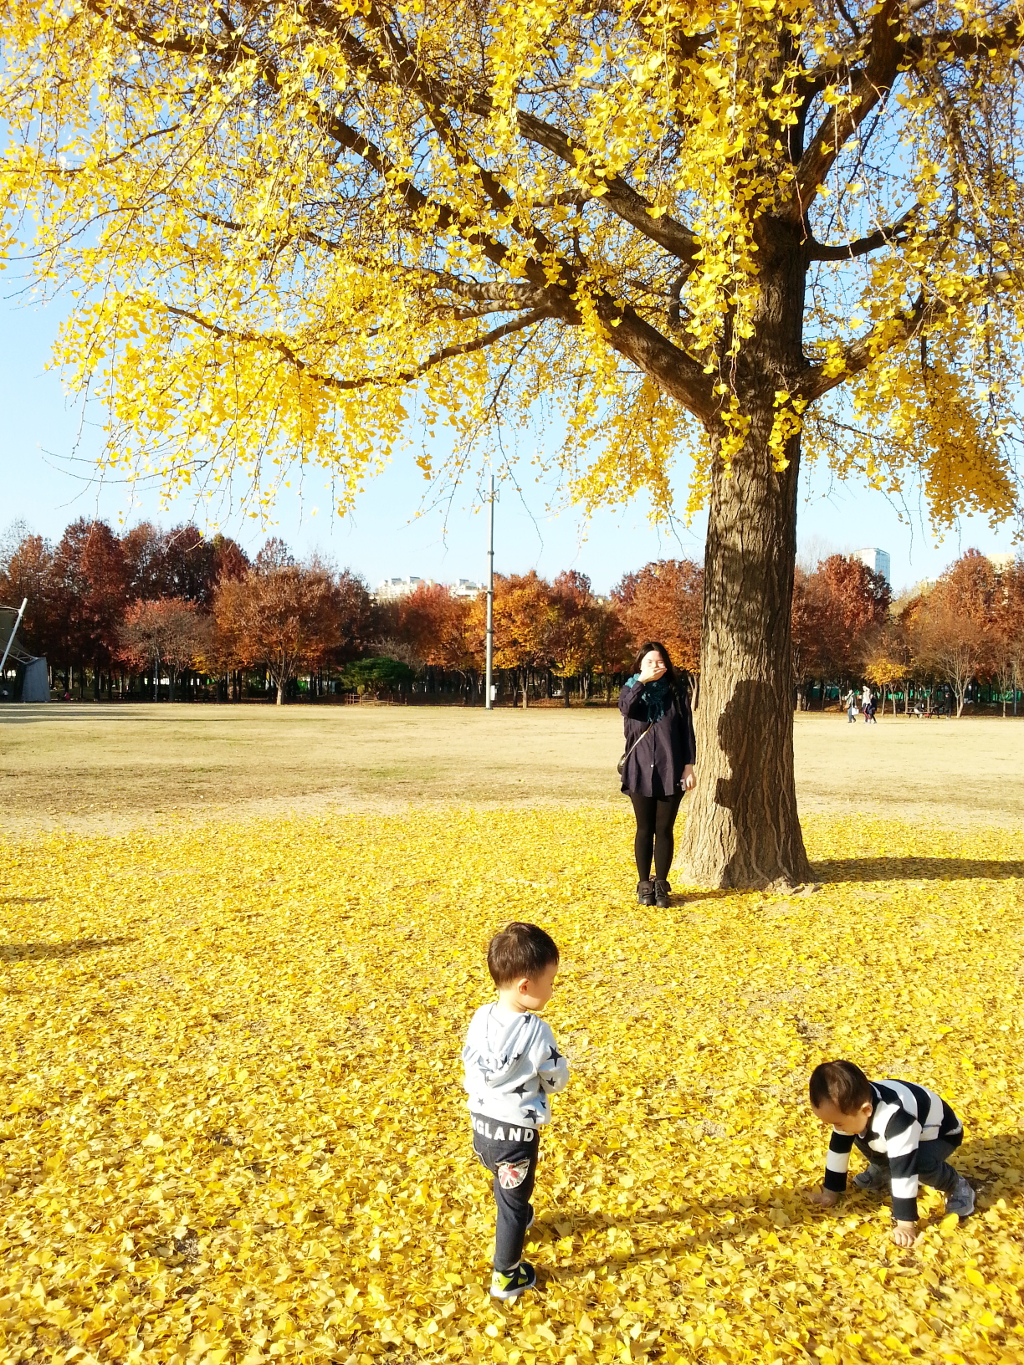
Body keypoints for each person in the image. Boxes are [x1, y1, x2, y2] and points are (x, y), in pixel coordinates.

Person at [462, 922, 570, 1300]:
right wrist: (551, 1080)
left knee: (503, 1179)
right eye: (550, 983)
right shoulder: (537, 1032)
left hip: (481, 1127)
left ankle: (517, 1211)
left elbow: (472, 1064)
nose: (552, 990)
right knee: (511, 1202)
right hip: (516, 1136)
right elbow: (555, 1078)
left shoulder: (480, 1016)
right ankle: (506, 1275)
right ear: (525, 986)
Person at [806, 1060, 974, 1246]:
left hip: (940, 1135)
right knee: (855, 1133)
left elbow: (905, 1169)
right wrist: (830, 1192)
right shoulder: (852, 1107)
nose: (836, 1128)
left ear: (866, 1109)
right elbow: (838, 1148)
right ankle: (882, 1169)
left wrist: (905, 1223)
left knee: (918, 1163)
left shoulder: (897, 1119)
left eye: (837, 1123)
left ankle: (956, 1185)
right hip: (900, 1130)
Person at [619, 642, 696, 908]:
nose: (656, 666)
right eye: (650, 661)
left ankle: (661, 885)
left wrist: (689, 766)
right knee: (644, 829)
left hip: (670, 768)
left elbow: (686, 731)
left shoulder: (675, 693)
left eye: (660, 661)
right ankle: (644, 885)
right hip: (639, 769)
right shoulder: (630, 689)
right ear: (640, 665)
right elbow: (627, 709)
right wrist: (642, 681)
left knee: (664, 829)